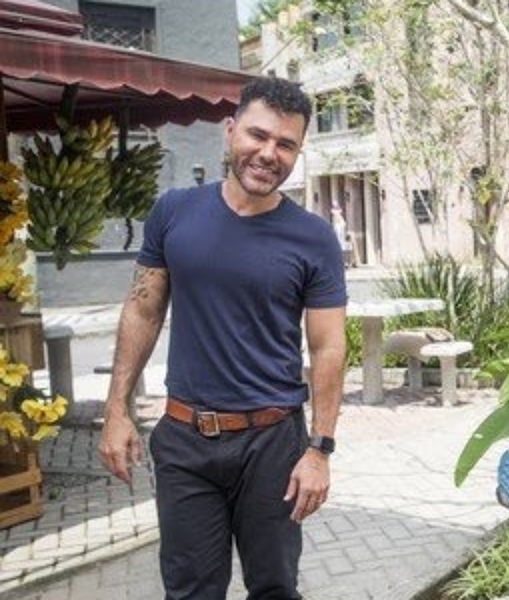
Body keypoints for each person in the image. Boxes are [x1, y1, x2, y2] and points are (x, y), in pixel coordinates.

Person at [97, 77, 348, 599]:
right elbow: (143, 309)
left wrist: (320, 450)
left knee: (275, 588)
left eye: (285, 144)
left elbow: (328, 346)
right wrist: (117, 409)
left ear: (298, 152)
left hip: (274, 441)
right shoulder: (175, 212)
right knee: (190, 591)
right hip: (185, 438)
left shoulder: (314, 237)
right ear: (230, 131)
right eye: (258, 135)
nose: (268, 153)